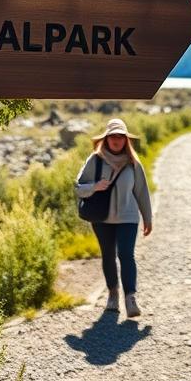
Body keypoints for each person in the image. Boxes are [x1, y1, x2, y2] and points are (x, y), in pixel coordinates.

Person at [75, 118, 152, 317]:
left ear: (126, 140)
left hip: (128, 217)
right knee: (108, 256)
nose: (116, 140)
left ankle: (131, 298)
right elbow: (78, 188)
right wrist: (94, 186)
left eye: (120, 136)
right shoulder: (95, 160)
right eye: (112, 137)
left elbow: (142, 192)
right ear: (106, 139)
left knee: (126, 255)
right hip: (102, 218)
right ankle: (112, 294)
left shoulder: (133, 163)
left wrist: (148, 218)